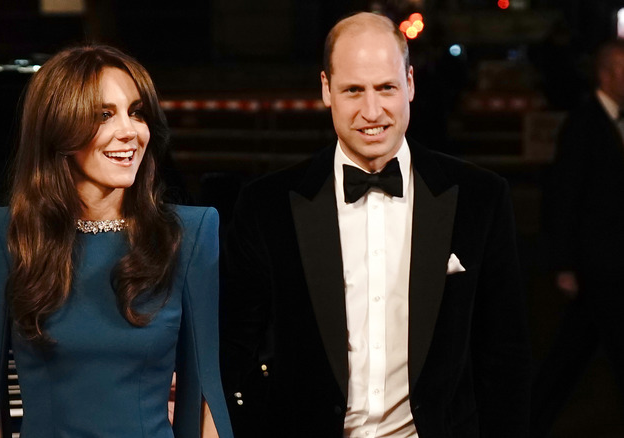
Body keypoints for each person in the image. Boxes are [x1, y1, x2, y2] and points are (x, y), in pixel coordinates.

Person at [220, 12, 530, 438]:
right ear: (327, 89)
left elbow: (505, 357)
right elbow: (235, 345)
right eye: (353, 90)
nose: (372, 111)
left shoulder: (481, 198)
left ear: (410, 84)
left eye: (386, 87)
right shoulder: (265, 207)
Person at [0, 45, 233, 438]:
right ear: (60, 130)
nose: (130, 131)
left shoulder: (189, 233)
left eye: (136, 112)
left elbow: (205, 394)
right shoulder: (6, 236)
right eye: (104, 115)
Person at [532, 39, 624, 437]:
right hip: (597, 264)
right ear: (606, 76)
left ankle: (528, 421)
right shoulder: (584, 124)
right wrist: (564, 263)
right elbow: (563, 196)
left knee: (570, 354)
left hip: (610, 264)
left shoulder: (617, 122)